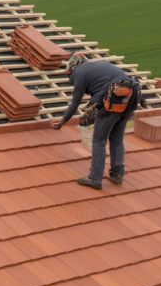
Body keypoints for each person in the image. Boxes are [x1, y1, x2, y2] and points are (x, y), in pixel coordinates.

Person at [51, 52, 144, 189]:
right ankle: (117, 174)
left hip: (114, 97)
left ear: (71, 69)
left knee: (99, 140)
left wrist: (63, 120)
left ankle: (95, 178)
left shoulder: (79, 73)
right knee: (117, 139)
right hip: (132, 96)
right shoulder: (98, 65)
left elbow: (75, 102)